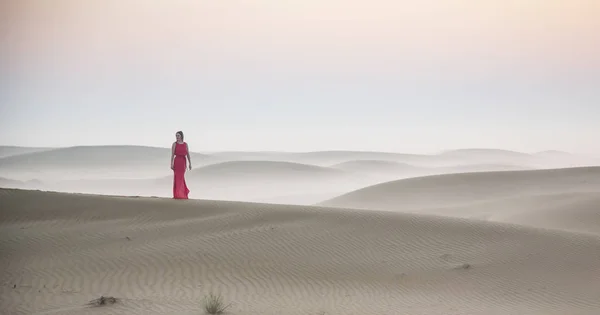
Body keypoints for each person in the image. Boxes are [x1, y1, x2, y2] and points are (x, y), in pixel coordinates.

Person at [171, 131, 191, 199]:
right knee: (177, 177)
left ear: (181, 136)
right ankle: (177, 194)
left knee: (181, 177)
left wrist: (190, 163)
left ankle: (182, 193)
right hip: (177, 162)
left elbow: (188, 154)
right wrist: (171, 163)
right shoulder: (174, 144)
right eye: (176, 136)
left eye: (178, 135)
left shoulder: (185, 144)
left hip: (183, 162)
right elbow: (172, 154)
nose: (177, 137)